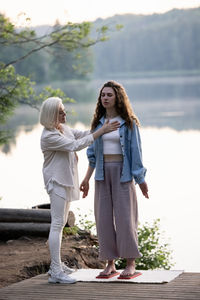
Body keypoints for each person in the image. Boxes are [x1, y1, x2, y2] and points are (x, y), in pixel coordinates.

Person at [39, 96, 120, 284]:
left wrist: (102, 126)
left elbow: (83, 134)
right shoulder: (49, 136)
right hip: (56, 182)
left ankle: (57, 265)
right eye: (61, 111)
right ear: (52, 114)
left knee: (62, 223)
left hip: (65, 181)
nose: (65, 113)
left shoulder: (62, 129)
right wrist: (102, 131)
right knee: (57, 224)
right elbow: (76, 145)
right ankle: (55, 271)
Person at [80, 81, 149, 279]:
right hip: (101, 174)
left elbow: (136, 152)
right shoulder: (98, 123)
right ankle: (110, 263)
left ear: (118, 97)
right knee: (103, 219)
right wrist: (86, 179)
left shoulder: (128, 123)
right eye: (103, 95)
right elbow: (92, 154)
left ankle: (130, 263)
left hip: (123, 174)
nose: (105, 98)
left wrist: (141, 179)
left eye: (109, 95)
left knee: (125, 218)